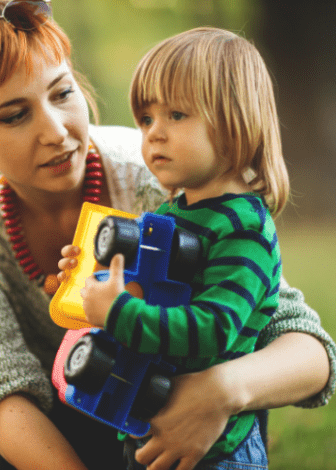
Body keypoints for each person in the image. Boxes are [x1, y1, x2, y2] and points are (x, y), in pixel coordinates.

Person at [0, 0, 336, 470]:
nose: (55, 130)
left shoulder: (160, 176)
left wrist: (220, 391)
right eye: (15, 115)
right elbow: (0, 387)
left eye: (62, 93)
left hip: (183, 401)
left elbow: (304, 346)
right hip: (68, 414)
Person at [60, 27, 290, 468]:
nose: (154, 134)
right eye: (146, 119)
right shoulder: (173, 212)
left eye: (177, 115)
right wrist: (93, 277)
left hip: (215, 452)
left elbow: (214, 327)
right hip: (148, 421)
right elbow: (154, 292)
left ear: (235, 120)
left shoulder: (243, 230)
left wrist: (120, 314)